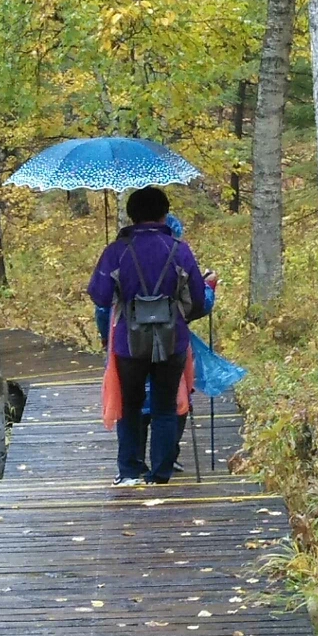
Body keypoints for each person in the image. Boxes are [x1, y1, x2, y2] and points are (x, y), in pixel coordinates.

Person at [87, 186, 210, 485]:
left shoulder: (117, 251)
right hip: (173, 340)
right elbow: (196, 300)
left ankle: (129, 472)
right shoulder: (179, 250)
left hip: (129, 341)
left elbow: (100, 296)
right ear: (164, 214)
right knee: (165, 406)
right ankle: (161, 474)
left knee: (130, 404)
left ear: (131, 215)